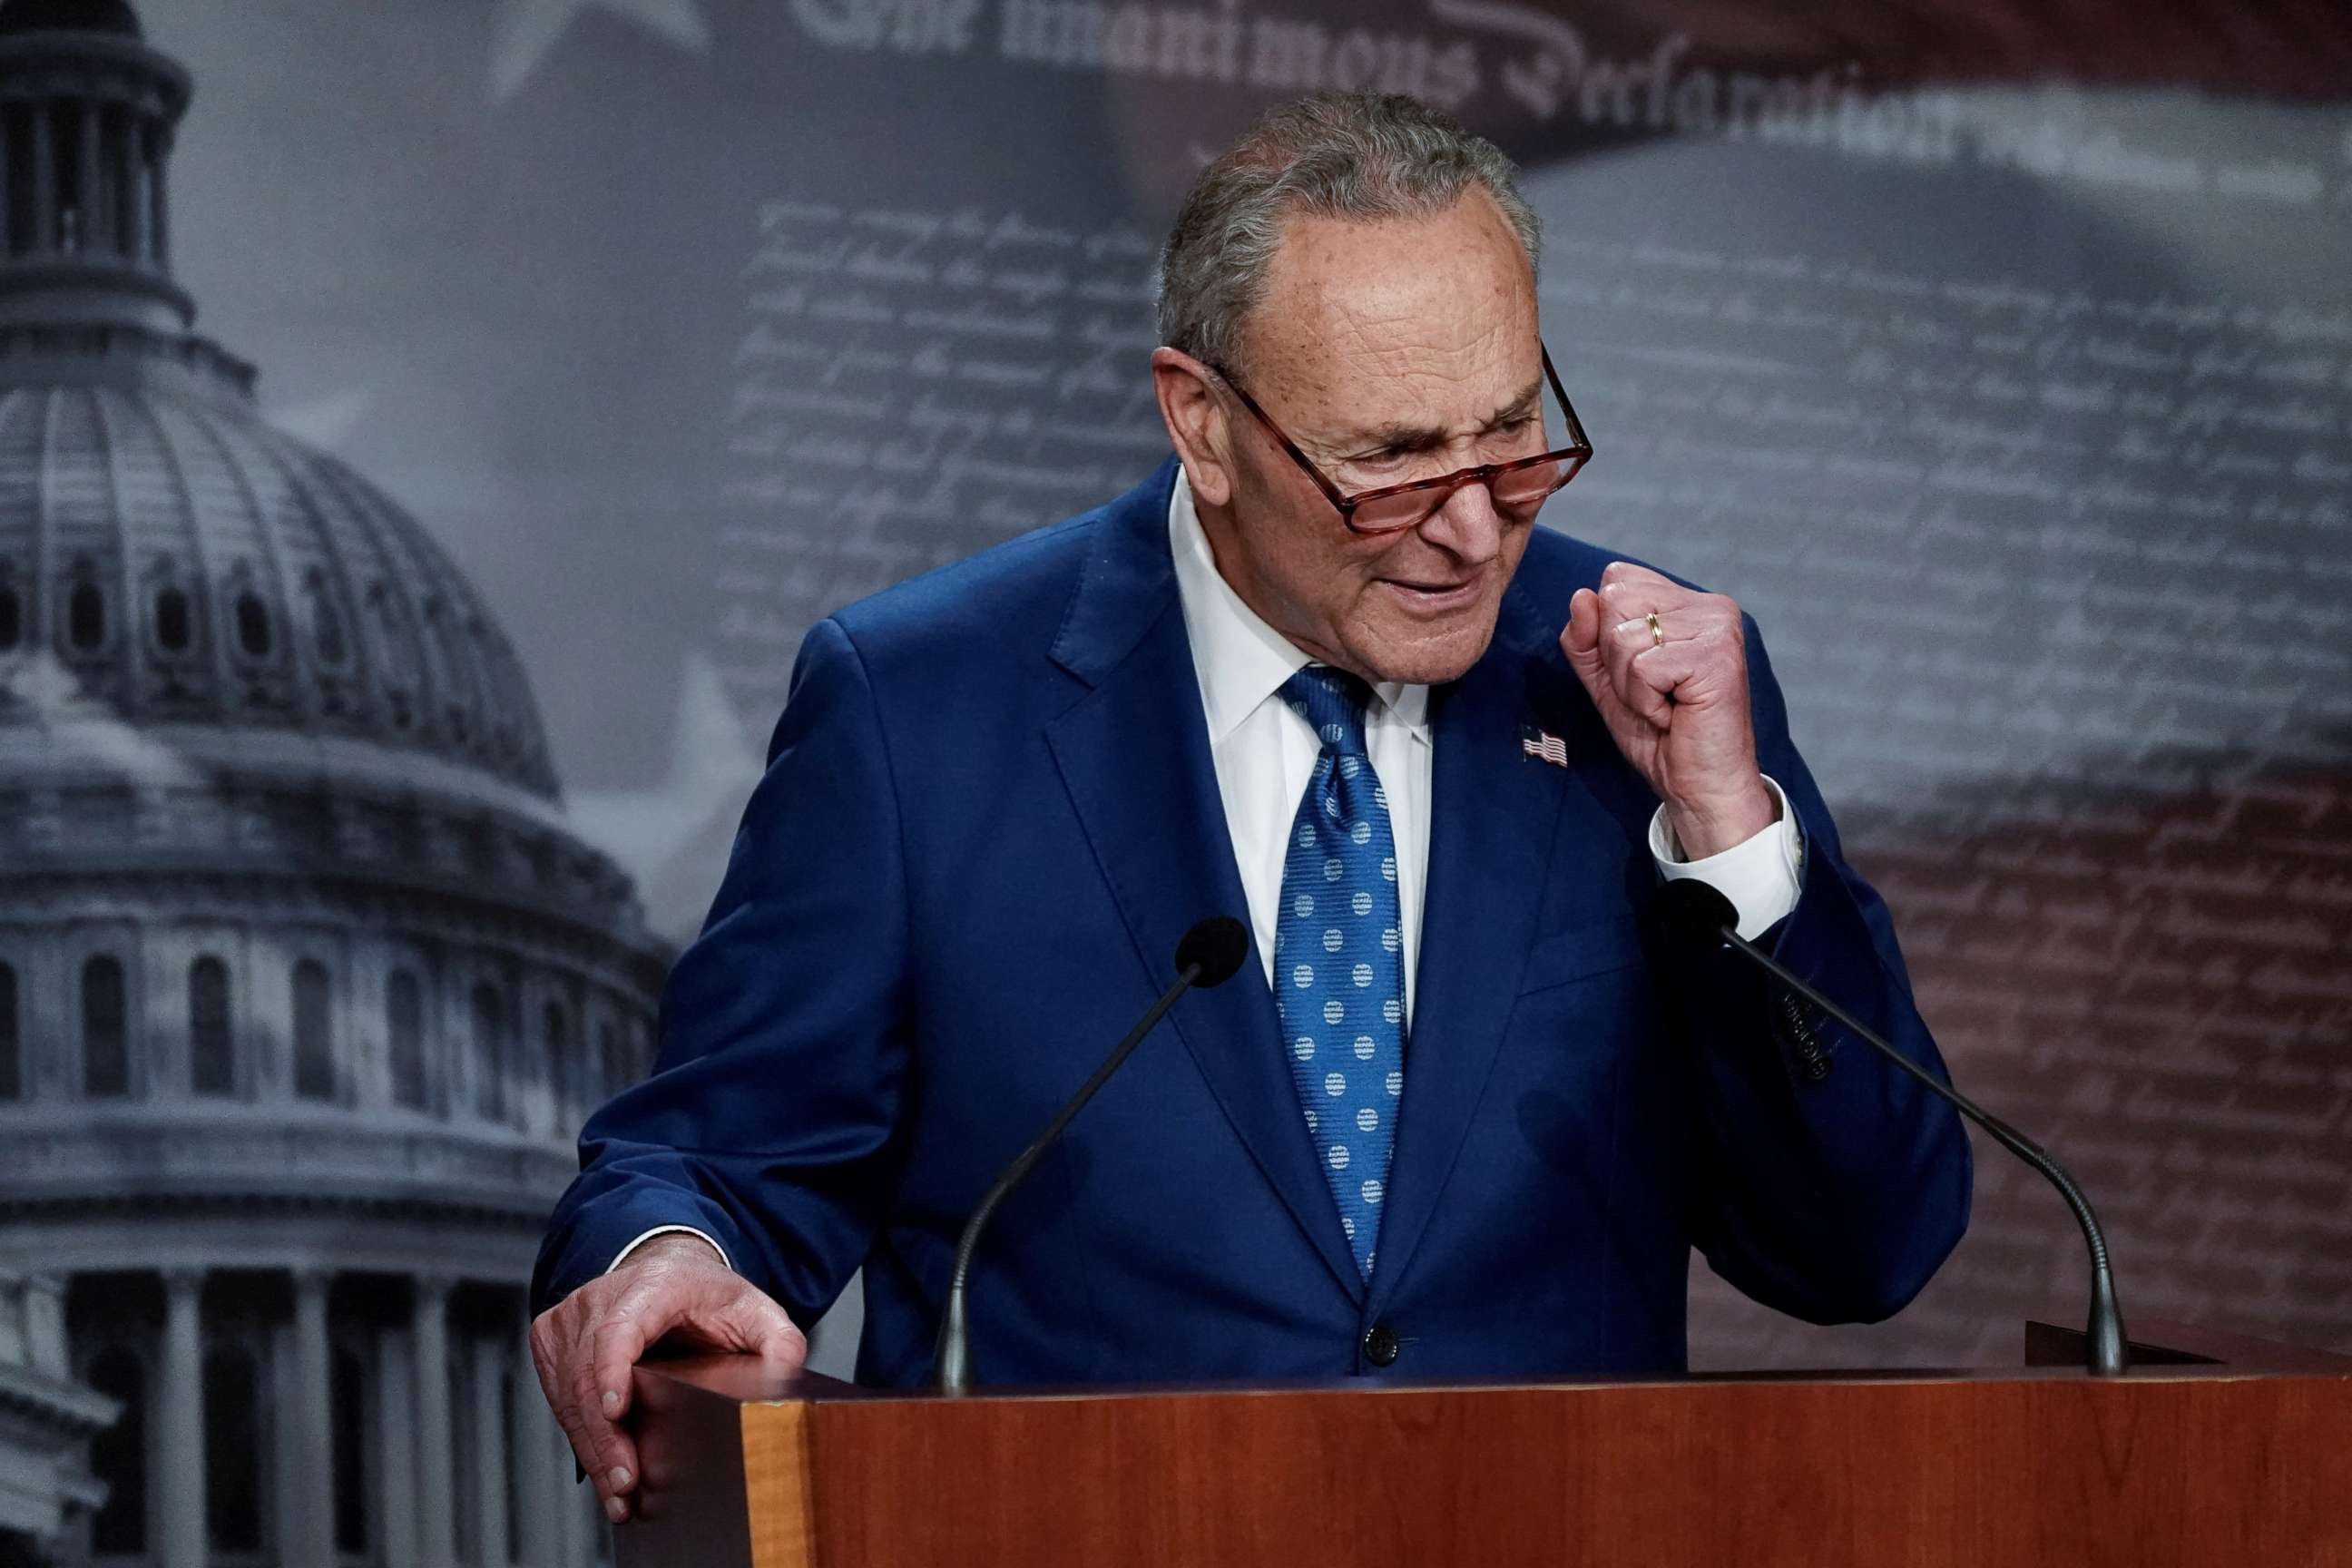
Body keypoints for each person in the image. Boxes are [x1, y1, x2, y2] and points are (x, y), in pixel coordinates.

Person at [530, 91, 1971, 1525]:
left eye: (1514, 431)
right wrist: (660, 1254)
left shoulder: (1641, 689)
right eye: (1395, 459)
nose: (1475, 527)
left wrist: (1729, 833)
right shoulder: (922, 709)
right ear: (1203, 423)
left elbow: (1862, 1251)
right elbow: (718, 1155)